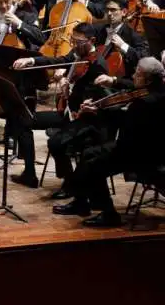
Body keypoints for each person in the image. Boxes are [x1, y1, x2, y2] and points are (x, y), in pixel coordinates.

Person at [53, 57, 165, 226]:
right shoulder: (156, 91)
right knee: (87, 154)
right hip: (142, 146)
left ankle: (109, 215)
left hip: (141, 153)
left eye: (137, 73)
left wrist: (98, 112)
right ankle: (81, 202)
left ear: (147, 79)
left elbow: (125, 125)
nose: (133, 76)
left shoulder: (145, 102)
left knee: (93, 165)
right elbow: (129, 98)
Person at [11, 23, 110, 190]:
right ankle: (29, 174)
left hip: (83, 119)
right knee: (23, 121)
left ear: (91, 40)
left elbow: (94, 99)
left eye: (78, 42)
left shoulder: (97, 64)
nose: (74, 45)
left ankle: (70, 183)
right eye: (72, 40)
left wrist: (67, 86)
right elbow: (59, 60)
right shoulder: (77, 54)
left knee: (57, 142)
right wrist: (31, 60)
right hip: (67, 113)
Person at [95, 0, 149, 78]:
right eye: (107, 10)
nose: (109, 13)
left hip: (119, 82)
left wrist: (123, 45)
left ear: (124, 12)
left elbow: (142, 59)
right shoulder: (99, 30)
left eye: (113, 10)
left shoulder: (134, 36)